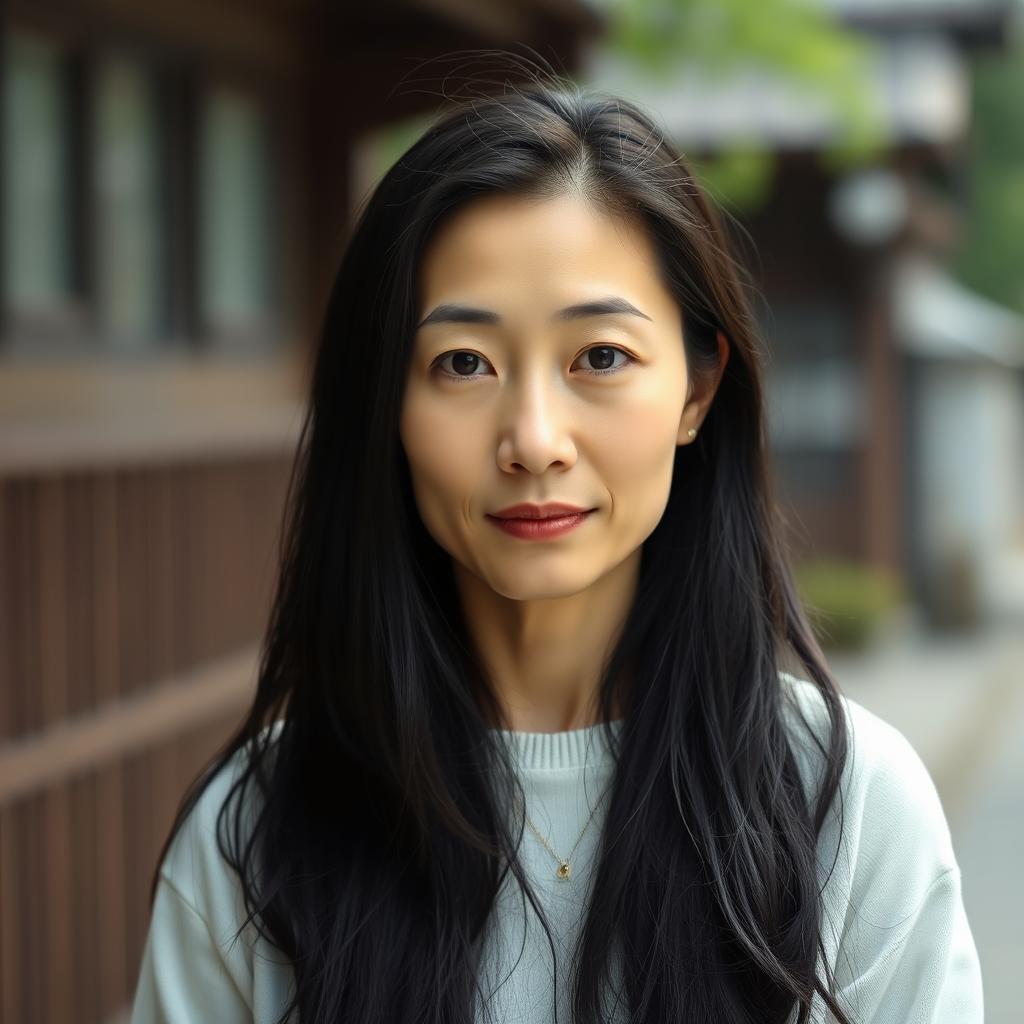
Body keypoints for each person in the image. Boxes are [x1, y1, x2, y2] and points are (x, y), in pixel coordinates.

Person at [129, 56, 983, 1024]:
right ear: (386, 402)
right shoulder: (258, 830)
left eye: (600, 357)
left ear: (697, 389)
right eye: (463, 362)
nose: (533, 438)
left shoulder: (848, 805)